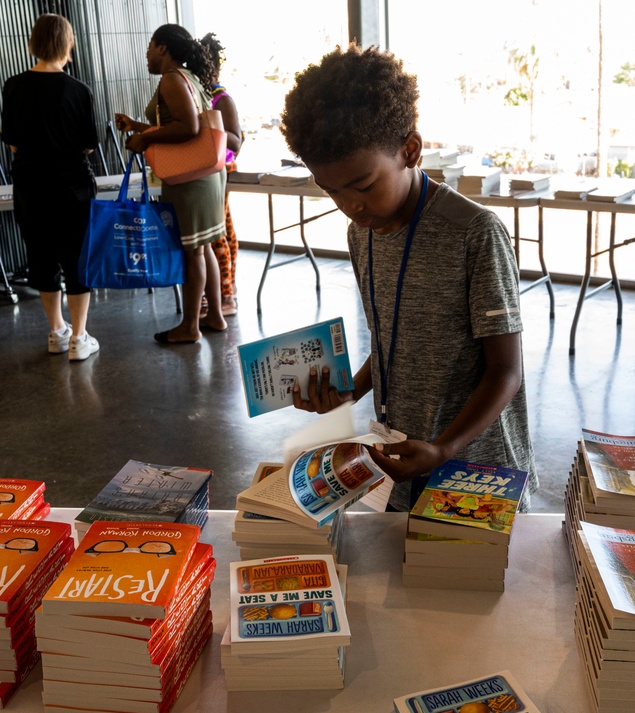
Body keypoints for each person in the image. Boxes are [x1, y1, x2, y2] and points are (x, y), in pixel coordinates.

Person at [279, 45, 536, 512]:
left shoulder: (474, 233)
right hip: (399, 460)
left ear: (409, 150)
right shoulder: (364, 234)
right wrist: (350, 391)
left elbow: (506, 371)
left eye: (362, 185)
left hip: (475, 466)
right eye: (330, 189)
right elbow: (393, 341)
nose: (350, 205)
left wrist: (444, 449)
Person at [114, 24, 227, 344]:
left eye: (150, 46)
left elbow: (188, 127)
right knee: (202, 248)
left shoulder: (171, 79)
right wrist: (139, 127)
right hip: (206, 174)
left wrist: (140, 139)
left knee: (192, 252)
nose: (147, 54)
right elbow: (179, 123)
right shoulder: (190, 76)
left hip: (189, 179)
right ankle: (215, 316)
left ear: (163, 47)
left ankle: (190, 326)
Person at [1, 13, 100, 361]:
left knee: (42, 257)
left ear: (34, 42)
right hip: (72, 188)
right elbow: (89, 144)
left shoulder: (13, 86)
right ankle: (79, 337)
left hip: (30, 186)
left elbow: (12, 142)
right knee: (77, 260)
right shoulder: (79, 90)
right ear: (67, 44)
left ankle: (56, 331)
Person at [199, 32, 244, 317]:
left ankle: (226, 293)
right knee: (222, 229)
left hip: (221, 168)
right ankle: (226, 288)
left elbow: (236, 142)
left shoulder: (221, 99)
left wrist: (209, 130)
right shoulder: (204, 95)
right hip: (208, 167)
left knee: (218, 233)